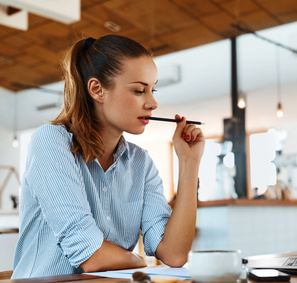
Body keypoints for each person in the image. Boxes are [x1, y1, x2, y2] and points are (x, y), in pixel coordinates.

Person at [11, 35, 205, 278]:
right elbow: (90, 255)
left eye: (152, 90)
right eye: (138, 90)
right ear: (97, 90)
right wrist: (136, 259)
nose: (153, 103)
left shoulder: (141, 164)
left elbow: (174, 254)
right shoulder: (51, 141)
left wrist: (189, 163)